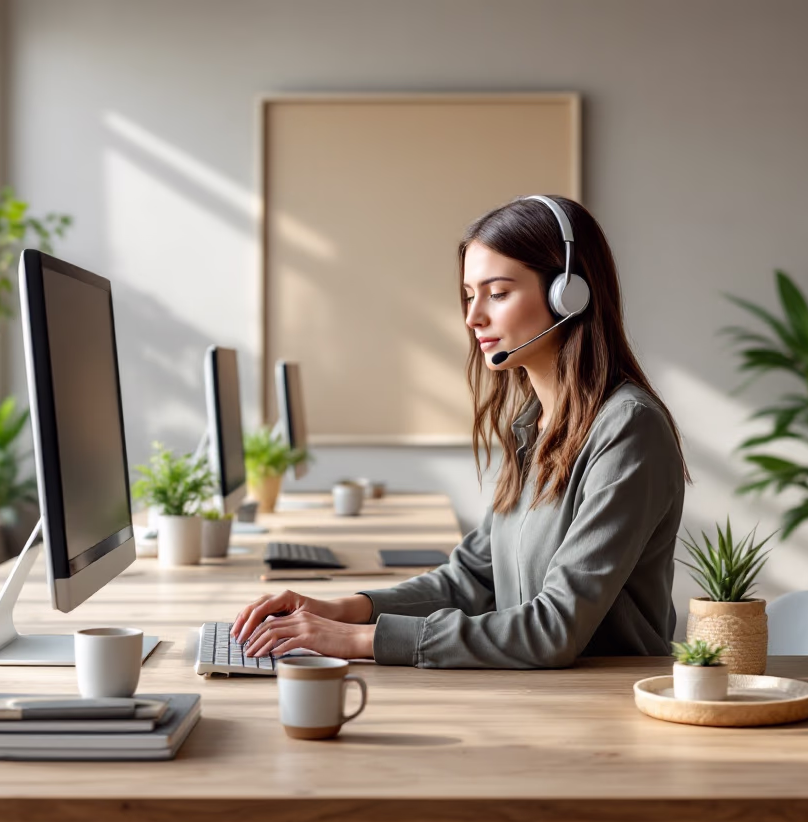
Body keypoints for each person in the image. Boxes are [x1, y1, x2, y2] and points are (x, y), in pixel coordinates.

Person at [232, 195, 690, 669]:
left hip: (601, 702)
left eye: (498, 293)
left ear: (568, 296)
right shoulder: (535, 424)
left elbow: (554, 628)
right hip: (536, 693)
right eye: (470, 295)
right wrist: (340, 610)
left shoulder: (628, 430)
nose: (473, 317)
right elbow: (470, 579)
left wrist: (360, 640)